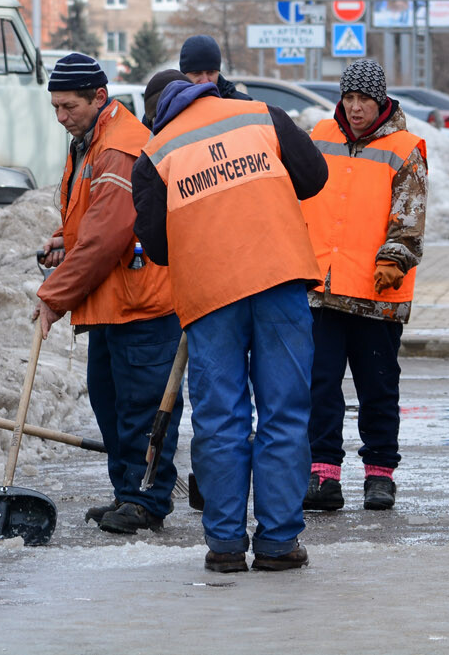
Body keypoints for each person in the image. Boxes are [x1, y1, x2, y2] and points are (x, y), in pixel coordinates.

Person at [131, 76, 328, 573]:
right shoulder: (262, 116)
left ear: (159, 112)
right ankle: (279, 543)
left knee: (220, 418)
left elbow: (156, 246)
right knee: (284, 412)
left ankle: (224, 545)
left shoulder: (155, 153)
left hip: (211, 294)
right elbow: (314, 176)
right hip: (280, 277)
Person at [34, 54, 179, 536]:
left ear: (100, 97)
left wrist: (54, 296)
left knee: (142, 407)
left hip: (140, 303)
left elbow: (105, 238)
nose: (61, 117)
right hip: (113, 303)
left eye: (69, 106)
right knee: (111, 402)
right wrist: (64, 239)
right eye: (54, 107)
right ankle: (127, 493)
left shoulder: (118, 148)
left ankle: (147, 500)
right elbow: (89, 222)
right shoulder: (90, 141)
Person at [298, 59, 427, 513]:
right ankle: (323, 474)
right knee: (320, 386)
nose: (354, 108)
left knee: (377, 388)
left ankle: (379, 475)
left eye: (364, 100)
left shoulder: (406, 147)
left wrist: (395, 257)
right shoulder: (319, 135)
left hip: (377, 294)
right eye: (348, 99)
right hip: (322, 289)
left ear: (381, 101)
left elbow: (409, 217)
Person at [178, 34, 245, 99]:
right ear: (183, 74)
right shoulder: (171, 106)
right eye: (196, 73)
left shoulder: (241, 105)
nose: (205, 81)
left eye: (211, 72)